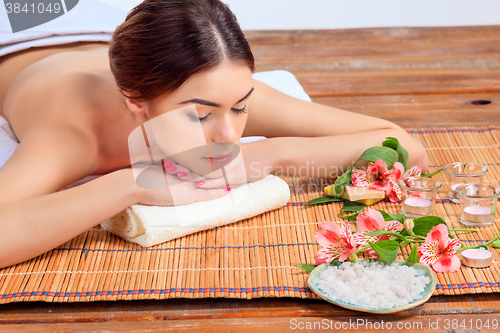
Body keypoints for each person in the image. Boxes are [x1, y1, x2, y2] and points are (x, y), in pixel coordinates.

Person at [0, 0, 428, 268]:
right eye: (198, 117)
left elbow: (404, 145)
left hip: (100, 27)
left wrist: (270, 155)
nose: (228, 134)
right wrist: (130, 185)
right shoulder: (70, 134)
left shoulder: (218, 89)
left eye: (240, 107)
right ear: (135, 99)